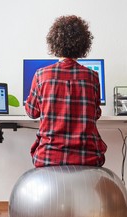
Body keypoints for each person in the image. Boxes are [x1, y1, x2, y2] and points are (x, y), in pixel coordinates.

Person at [25, 15, 107, 167]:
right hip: (87, 157)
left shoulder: (41, 75)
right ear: (83, 45)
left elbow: (32, 112)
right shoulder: (92, 77)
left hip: (48, 157)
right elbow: (95, 114)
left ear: (54, 43)